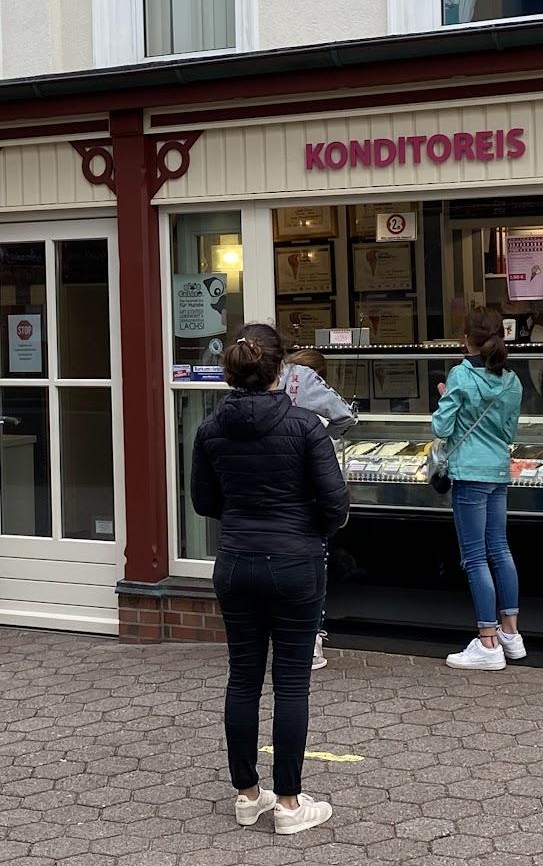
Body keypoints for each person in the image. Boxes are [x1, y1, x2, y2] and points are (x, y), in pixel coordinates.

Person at [192, 323, 349, 835]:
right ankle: (287, 803)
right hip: (295, 562)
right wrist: (307, 531)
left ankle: (246, 795)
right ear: (282, 369)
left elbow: (204, 503)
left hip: (236, 561)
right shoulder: (306, 426)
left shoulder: (209, 429)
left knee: (242, 678)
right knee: (291, 683)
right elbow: (335, 506)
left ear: (230, 372)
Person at [432, 307, 525, 670]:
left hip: (469, 473)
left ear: (465, 340)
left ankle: (487, 642)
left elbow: (441, 428)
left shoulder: (460, 374)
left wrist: (444, 398)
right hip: (498, 469)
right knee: (500, 550)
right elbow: (510, 433)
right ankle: (511, 635)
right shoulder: (511, 380)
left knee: (474, 557)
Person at [281, 347, 357, 670]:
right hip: (308, 488)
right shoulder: (306, 381)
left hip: (274, 490)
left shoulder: (269, 380)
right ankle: (311, 640)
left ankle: (284, 636)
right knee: (313, 563)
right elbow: (344, 416)